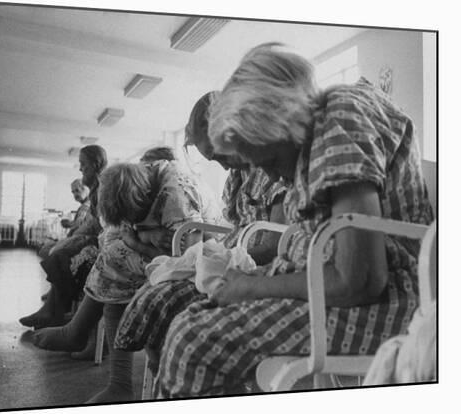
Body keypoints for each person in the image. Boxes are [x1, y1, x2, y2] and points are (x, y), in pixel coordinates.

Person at [156, 43, 434, 398]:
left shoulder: (341, 121)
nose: (274, 177)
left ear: (282, 122)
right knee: (191, 318)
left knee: (193, 342)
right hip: (355, 290)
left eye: (270, 161)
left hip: (395, 301)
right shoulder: (323, 126)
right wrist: (247, 282)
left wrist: (252, 287)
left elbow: (360, 279)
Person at [113, 91, 288, 377]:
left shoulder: (272, 167)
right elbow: (231, 229)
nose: (223, 165)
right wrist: (209, 256)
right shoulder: (236, 178)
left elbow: (276, 242)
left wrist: (220, 258)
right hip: (235, 255)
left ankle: (174, 372)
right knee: (156, 287)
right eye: (212, 158)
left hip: (258, 265)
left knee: (173, 304)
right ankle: (162, 372)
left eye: (220, 154)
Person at [31, 159, 210, 403]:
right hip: (165, 245)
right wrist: (144, 233)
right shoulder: (141, 178)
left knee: (117, 258)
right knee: (112, 250)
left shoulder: (177, 201)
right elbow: (117, 230)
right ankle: (84, 340)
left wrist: (137, 241)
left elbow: (186, 260)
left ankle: (103, 362)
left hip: (205, 250)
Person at [19, 145, 106, 330]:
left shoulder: (103, 189)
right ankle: (51, 310)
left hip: (101, 241)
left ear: (95, 164)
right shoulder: (96, 189)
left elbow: (98, 224)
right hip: (93, 237)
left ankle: (54, 311)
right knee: (59, 252)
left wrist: (75, 237)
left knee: (60, 254)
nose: (81, 168)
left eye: (83, 164)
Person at [38, 179, 91, 260]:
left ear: (86, 189)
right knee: (45, 249)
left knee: (45, 251)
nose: (75, 194)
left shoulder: (86, 206)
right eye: (73, 192)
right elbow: (80, 223)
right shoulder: (84, 205)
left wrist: (69, 224)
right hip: (74, 239)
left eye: (77, 190)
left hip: (78, 241)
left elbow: (79, 225)